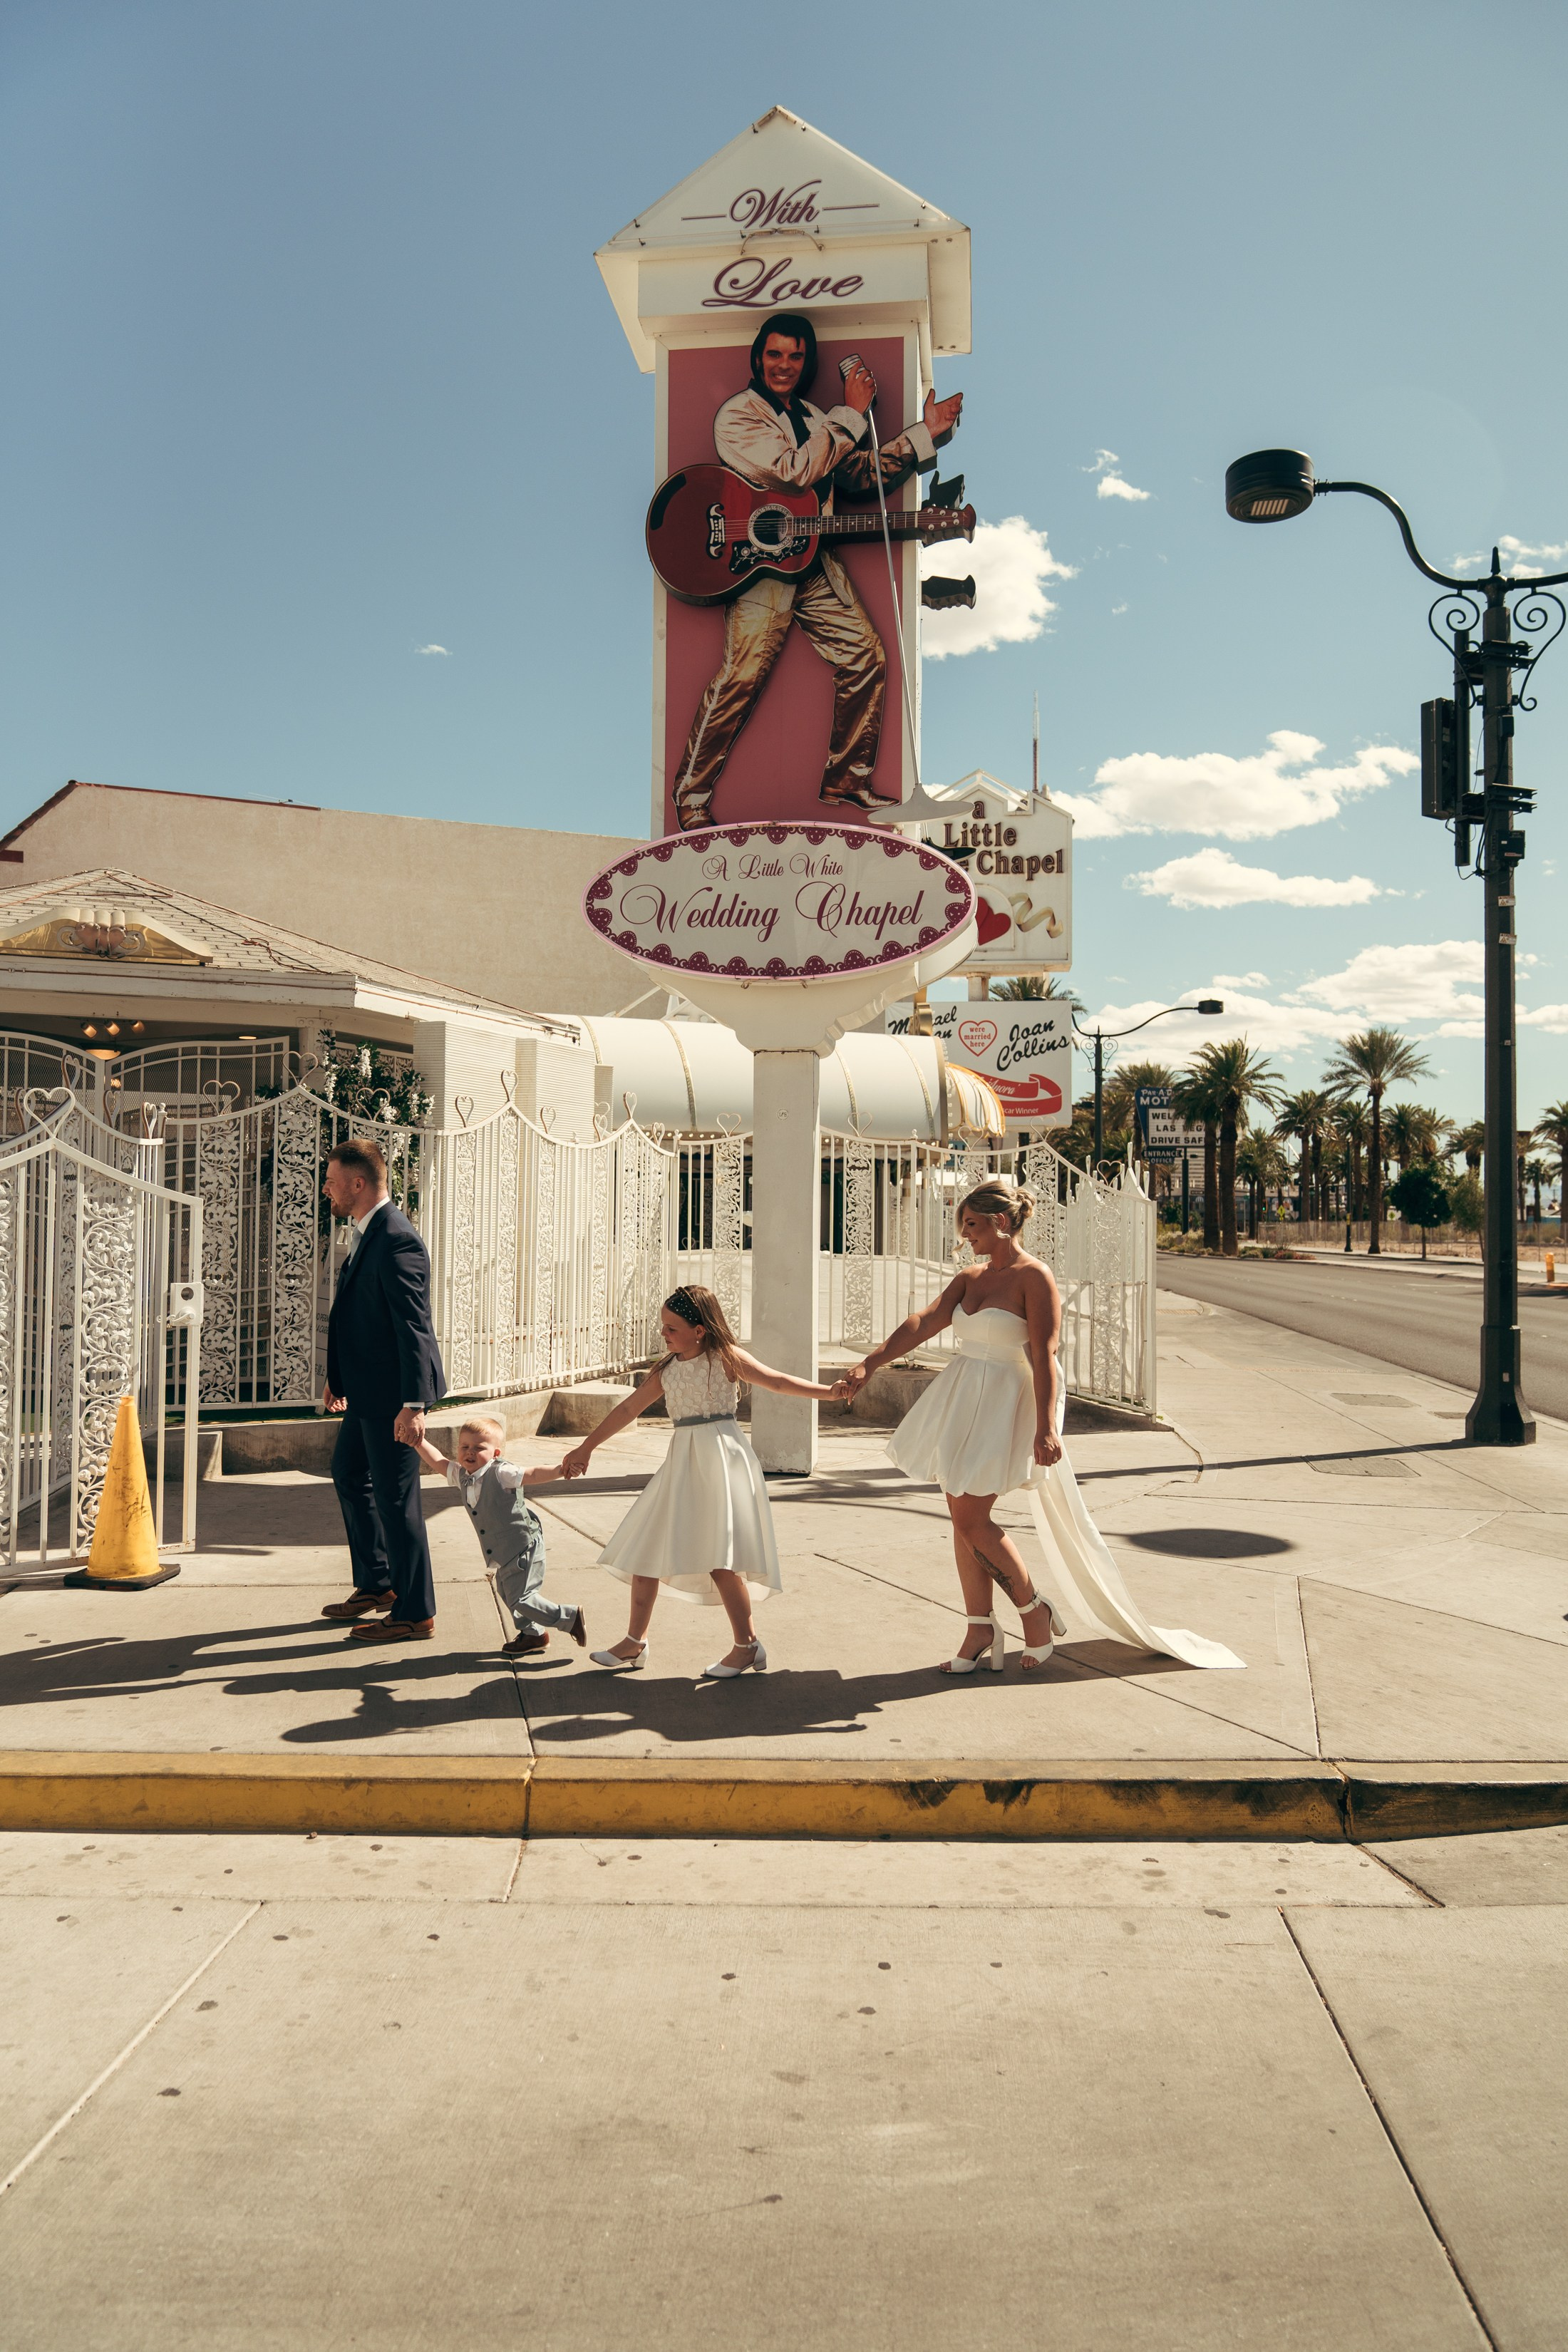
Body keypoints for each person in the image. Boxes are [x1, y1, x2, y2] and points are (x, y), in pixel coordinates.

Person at [844, 1180, 1244, 1674]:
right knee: (962, 1517)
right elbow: (923, 1322)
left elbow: (1044, 1355)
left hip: (1007, 1403)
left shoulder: (1035, 1277)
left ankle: (1034, 1611)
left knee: (972, 1519)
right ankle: (979, 1626)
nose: (965, 1234)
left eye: (972, 1224)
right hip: (962, 1396)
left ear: (1001, 1223)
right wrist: (870, 1364)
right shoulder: (969, 1278)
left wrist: (1047, 1427)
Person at [670, 311, 963, 831]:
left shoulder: (814, 416)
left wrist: (925, 434)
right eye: (775, 354)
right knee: (740, 679)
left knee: (866, 657)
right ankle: (691, 796)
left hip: (812, 561)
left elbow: (858, 477)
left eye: (795, 356)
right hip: (758, 567)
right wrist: (850, 413)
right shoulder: (738, 415)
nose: (784, 365)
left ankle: (846, 779)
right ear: (758, 358)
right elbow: (793, 473)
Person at [557, 1284, 842, 1678]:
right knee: (646, 1548)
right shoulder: (667, 1370)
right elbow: (627, 1409)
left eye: (671, 1328)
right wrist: (586, 1447)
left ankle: (747, 1645)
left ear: (699, 1330)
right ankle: (635, 1642)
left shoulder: (725, 1359)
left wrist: (829, 1393)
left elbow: (776, 1381)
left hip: (722, 1461)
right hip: (682, 1464)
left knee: (720, 1559)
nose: (663, 1333)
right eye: (663, 1326)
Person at [319, 1140, 446, 1645]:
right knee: (349, 1473)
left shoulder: (396, 1239)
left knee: (397, 1500)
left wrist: (414, 1405)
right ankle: (378, 1583)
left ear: (358, 1183)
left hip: (394, 1397)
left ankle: (415, 1612)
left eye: (332, 1181)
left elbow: (413, 1327)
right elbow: (359, 1315)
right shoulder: (367, 1232)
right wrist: (338, 1378)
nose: (326, 1189)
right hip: (367, 1392)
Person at [406, 1413, 587, 1660]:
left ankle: (569, 1618)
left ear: (496, 1453)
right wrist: (419, 1443)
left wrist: (561, 1470)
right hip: (504, 1551)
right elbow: (438, 1461)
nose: (470, 1452)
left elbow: (533, 1474)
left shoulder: (502, 1472)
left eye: (479, 1448)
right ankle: (533, 1634)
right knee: (506, 1592)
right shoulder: (463, 1475)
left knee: (521, 1598)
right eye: (464, 1447)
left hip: (523, 1546)